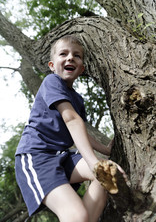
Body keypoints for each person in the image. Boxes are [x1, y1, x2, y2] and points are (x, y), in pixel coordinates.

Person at [15, 35, 119, 222]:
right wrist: (93, 163)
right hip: (37, 157)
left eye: (76, 56)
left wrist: (105, 150)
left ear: (82, 68)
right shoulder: (51, 82)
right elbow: (71, 120)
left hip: (62, 156)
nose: (70, 57)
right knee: (77, 214)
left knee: (105, 177)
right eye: (63, 54)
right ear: (52, 65)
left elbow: (78, 132)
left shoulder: (77, 100)